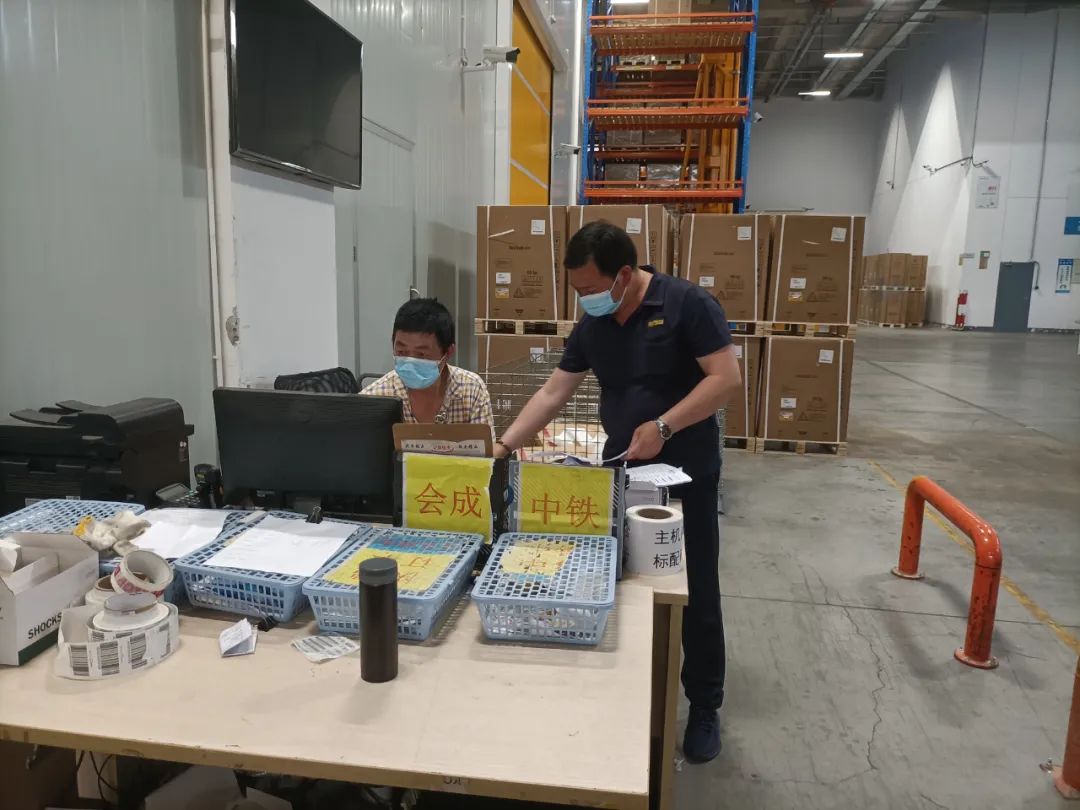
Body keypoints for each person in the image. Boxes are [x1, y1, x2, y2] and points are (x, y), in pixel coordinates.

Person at [493, 222, 740, 763]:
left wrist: (666, 426)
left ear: (624, 275)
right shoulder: (595, 324)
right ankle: (626, 691)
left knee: (694, 587)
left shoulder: (687, 305)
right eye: (578, 290)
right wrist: (504, 446)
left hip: (686, 473)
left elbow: (725, 379)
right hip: (624, 469)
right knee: (618, 577)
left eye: (590, 288)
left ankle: (704, 704)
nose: (585, 299)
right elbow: (554, 391)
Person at [361, 298, 494, 432]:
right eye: (401, 352)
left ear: (448, 352)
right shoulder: (374, 399)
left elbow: (485, 445)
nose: (410, 362)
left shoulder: (471, 390)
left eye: (421, 354)